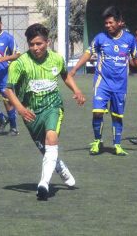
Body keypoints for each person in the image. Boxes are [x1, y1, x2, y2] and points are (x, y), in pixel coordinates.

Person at [5, 23, 86, 201]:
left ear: (47, 42)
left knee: (51, 138)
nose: (35, 48)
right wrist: (20, 108)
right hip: (30, 112)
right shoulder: (19, 64)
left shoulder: (57, 59)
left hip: (53, 106)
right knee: (46, 149)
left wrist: (77, 90)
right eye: (32, 44)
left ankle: (43, 184)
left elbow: (65, 75)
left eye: (39, 44)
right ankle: (62, 169)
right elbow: (8, 89)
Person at [68, 6, 137, 156]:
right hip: (102, 82)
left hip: (120, 85)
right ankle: (97, 141)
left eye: (111, 22)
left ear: (119, 22)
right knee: (97, 112)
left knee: (117, 116)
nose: (108, 26)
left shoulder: (129, 40)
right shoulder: (100, 38)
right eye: (106, 23)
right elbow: (88, 53)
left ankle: (117, 144)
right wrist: (74, 69)